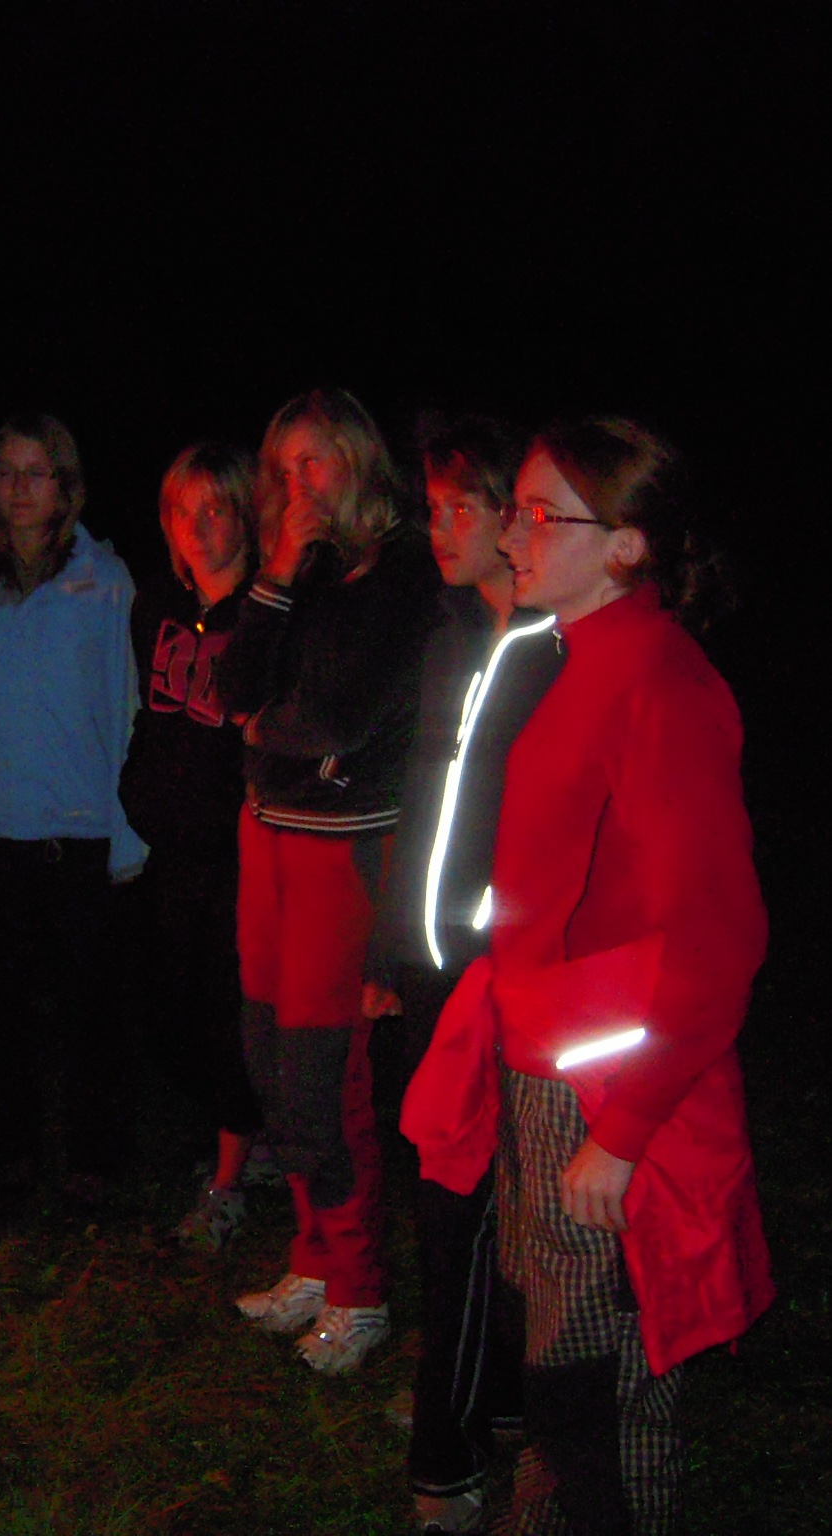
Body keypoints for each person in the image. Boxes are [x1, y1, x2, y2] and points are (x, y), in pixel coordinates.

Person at [404, 419, 770, 1534]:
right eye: (513, 510)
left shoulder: (660, 685)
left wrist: (624, 1131)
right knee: (557, 1355)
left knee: (604, 1375)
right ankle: (545, 1509)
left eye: (536, 513)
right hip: (542, 1067)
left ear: (624, 544)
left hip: (603, 1096)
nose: (511, 534)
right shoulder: (575, 662)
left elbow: (717, 937)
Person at [365, 415, 562, 1532]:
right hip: (433, 964)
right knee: (446, 1194)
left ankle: (450, 1446)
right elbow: (419, 795)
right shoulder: (445, 635)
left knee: (482, 1207)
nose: (438, 528)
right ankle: (477, 1394)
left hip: (507, 971)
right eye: (430, 507)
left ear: (512, 516)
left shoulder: (553, 648)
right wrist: (389, 948)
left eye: (461, 507)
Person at [219, 387, 438, 1373]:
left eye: (313, 460)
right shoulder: (301, 570)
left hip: (341, 845)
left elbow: (336, 719)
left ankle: (359, 1288)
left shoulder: (400, 571)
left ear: (357, 458)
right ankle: (312, 1258)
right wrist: (272, 574)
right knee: (268, 1054)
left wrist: (265, 727)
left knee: (321, 1069)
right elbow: (231, 688)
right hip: (269, 834)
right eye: (282, 468)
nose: (297, 483)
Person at [0, 411, 144, 1207]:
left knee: (89, 1016)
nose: (20, 488)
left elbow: (123, 708)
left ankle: (96, 1166)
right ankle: (12, 1163)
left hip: (74, 834)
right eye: (7, 472)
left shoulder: (104, 580)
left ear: (65, 486)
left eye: (37, 473)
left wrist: (124, 836)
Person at [116, 443, 272, 1247]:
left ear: (245, 515)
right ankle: (248, 1132)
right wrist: (137, 793)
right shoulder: (155, 605)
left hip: (240, 850)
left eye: (216, 508)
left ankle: (228, 1180)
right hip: (168, 845)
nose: (200, 526)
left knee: (225, 1010)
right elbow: (151, 714)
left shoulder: (267, 612)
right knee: (166, 1008)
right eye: (185, 510)